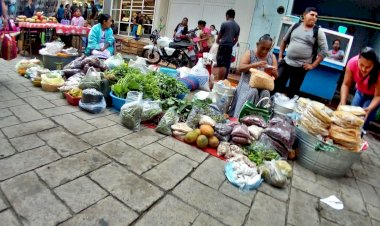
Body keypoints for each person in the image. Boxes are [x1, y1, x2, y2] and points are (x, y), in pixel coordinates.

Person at [275, 7, 328, 98]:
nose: (314, 17)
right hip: (286, 62)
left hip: (301, 67)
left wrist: (312, 65)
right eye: (312, 14)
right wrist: (280, 57)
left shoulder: (318, 31)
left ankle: (284, 109)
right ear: (304, 15)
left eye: (316, 16)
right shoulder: (295, 26)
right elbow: (284, 41)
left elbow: (324, 51)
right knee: (276, 85)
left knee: (292, 91)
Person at [228, 34, 278, 118]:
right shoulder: (249, 53)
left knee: (266, 93)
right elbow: (240, 68)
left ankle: (260, 119)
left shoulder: (272, 57)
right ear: (257, 44)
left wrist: (275, 72)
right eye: (262, 48)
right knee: (253, 91)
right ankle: (240, 117)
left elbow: (276, 77)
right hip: (247, 83)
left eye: (267, 49)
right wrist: (255, 64)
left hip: (263, 85)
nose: (264, 51)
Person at [340, 47, 380, 130]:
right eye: (361, 65)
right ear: (358, 59)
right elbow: (346, 84)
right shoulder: (352, 63)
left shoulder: (378, 71)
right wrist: (343, 102)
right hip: (359, 92)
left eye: (368, 67)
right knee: (351, 118)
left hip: (373, 98)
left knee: (362, 122)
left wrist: (369, 109)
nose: (363, 69)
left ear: (374, 65)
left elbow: (378, 96)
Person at [216, 9, 240, 80]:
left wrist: (218, 41)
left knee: (222, 65)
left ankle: (219, 82)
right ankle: (224, 81)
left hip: (223, 45)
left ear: (227, 15)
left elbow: (219, 35)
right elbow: (236, 39)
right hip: (230, 47)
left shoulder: (225, 24)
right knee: (227, 64)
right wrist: (231, 45)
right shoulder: (237, 26)